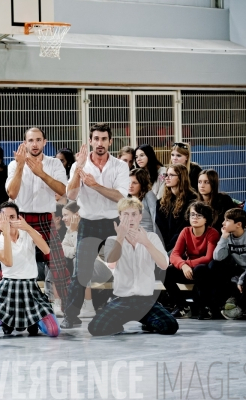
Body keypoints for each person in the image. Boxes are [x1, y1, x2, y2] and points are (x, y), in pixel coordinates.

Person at [62, 123, 129, 329]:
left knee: (123, 270)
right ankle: (71, 316)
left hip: (114, 223)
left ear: (110, 141)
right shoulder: (79, 166)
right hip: (88, 223)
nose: (100, 143)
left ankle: (124, 312)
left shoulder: (120, 166)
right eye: (96, 139)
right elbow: (71, 195)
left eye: (104, 139)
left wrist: (94, 185)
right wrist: (78, 169)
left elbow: (120, 197)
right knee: (80, 272)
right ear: (90, 141)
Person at [87, 197, 178, 336]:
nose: (130, 219)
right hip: (122, 300)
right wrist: (120, 238)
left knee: (170, 326)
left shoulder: (152, 237)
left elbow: (164, 265)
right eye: (126, 214)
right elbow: (111, 264)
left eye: (134, 214)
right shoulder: (112, 240)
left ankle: (148, 322)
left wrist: (146, 243)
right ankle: (119, 323)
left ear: (140, 217)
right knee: (95, 328)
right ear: (119, 217)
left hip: (146, 300)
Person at [5, 127, 70, 315]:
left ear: (45, 142)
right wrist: (20, 167)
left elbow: (62, 190)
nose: (34, 144)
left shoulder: (54, 164)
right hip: (21, 217)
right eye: (30, 140)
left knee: (57, 262)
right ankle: (13, 306)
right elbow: (12, 193)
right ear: (25, 143)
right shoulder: (13, 164)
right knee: (16, 262)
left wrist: (41, 173)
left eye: (38, 140)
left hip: (44, 217)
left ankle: (67, 307)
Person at [0, 202, 59, 339]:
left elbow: (46, 250)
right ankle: (6, 320)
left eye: (12, 216)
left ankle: (33, 320)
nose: (9, 220)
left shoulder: (28, 234)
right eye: (5, 217)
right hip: (7, 288)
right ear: (0, 219)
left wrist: (28, 228)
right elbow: (8, 261)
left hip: (30, 287)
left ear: (18, 217)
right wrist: (7, 234)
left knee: (54, 331)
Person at [164, 201, 219, 319]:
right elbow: (174, 255)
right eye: (192, 214)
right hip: (187, 271)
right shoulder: (185, 231)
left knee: (200, 269)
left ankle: (203, 307)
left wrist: (186, 264)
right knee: (167, 272)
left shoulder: (212, 233)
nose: (195, 217)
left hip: (204, 272)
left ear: (206, 219)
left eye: (199, 215)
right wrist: (183, 266)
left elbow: (208, 258)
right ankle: (182, 306)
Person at [213, 208, 246, 320]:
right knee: (217, 268)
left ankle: (241, 308)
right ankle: (225, 303)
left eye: (227, 220)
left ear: (238, 224)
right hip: (242, 269)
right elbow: (217, 257)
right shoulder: (228, 236)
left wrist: (241, 279)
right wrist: (223, 237)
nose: (223, 223)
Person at [156, 164, 198, 252]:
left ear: (181, 177)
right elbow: (159, 227)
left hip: (183, 244)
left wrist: (168, 247)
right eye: (166, 175)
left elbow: (184, 228)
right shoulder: (161, 202)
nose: (167, 178)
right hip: (164, 244)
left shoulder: (192, 200)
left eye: (171, 175)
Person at [128, 168, 158, 233]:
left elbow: (155, 220)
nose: (130, 186)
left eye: (134, 183)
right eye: (129, 182)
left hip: (147, 237)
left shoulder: (149, 195)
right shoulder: (127, 198)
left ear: (142, 184)